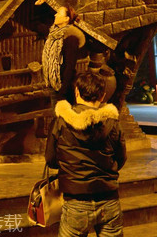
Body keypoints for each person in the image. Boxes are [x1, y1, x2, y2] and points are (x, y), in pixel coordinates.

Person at [45, 70, 127, 237]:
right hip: (109, 199)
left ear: (76, 92)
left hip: (76, 201)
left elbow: (51, 159)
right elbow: (121, 158)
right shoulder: (112, 122)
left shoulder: (61, 122)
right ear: (103, 96)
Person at [42, 5, 87, 104]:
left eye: (58, 13)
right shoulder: (54, 34)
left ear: (66, 19)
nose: (55, 15)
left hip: (64, 88)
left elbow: (69, 66)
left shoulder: (71, 38)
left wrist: (62, 92)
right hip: (54, 84)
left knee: (63, 116)